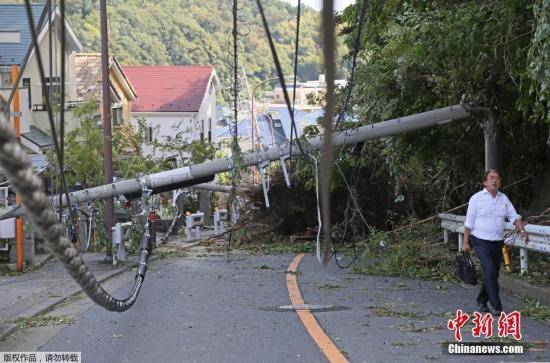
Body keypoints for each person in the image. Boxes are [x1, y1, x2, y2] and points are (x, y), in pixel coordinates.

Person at [462, 170, 529, 315]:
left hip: (497, 242)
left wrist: (522, 231)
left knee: (493, 274)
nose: (494, 181)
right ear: (485, 182)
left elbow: (514, 216)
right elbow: (469, 222)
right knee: (490, 270)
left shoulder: (503, 199)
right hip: (480, 240)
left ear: (500, 182)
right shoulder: (476, 198)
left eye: (497, 179)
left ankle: (481, 300)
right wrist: (465, 242)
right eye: (491, 178)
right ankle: (497, 305)